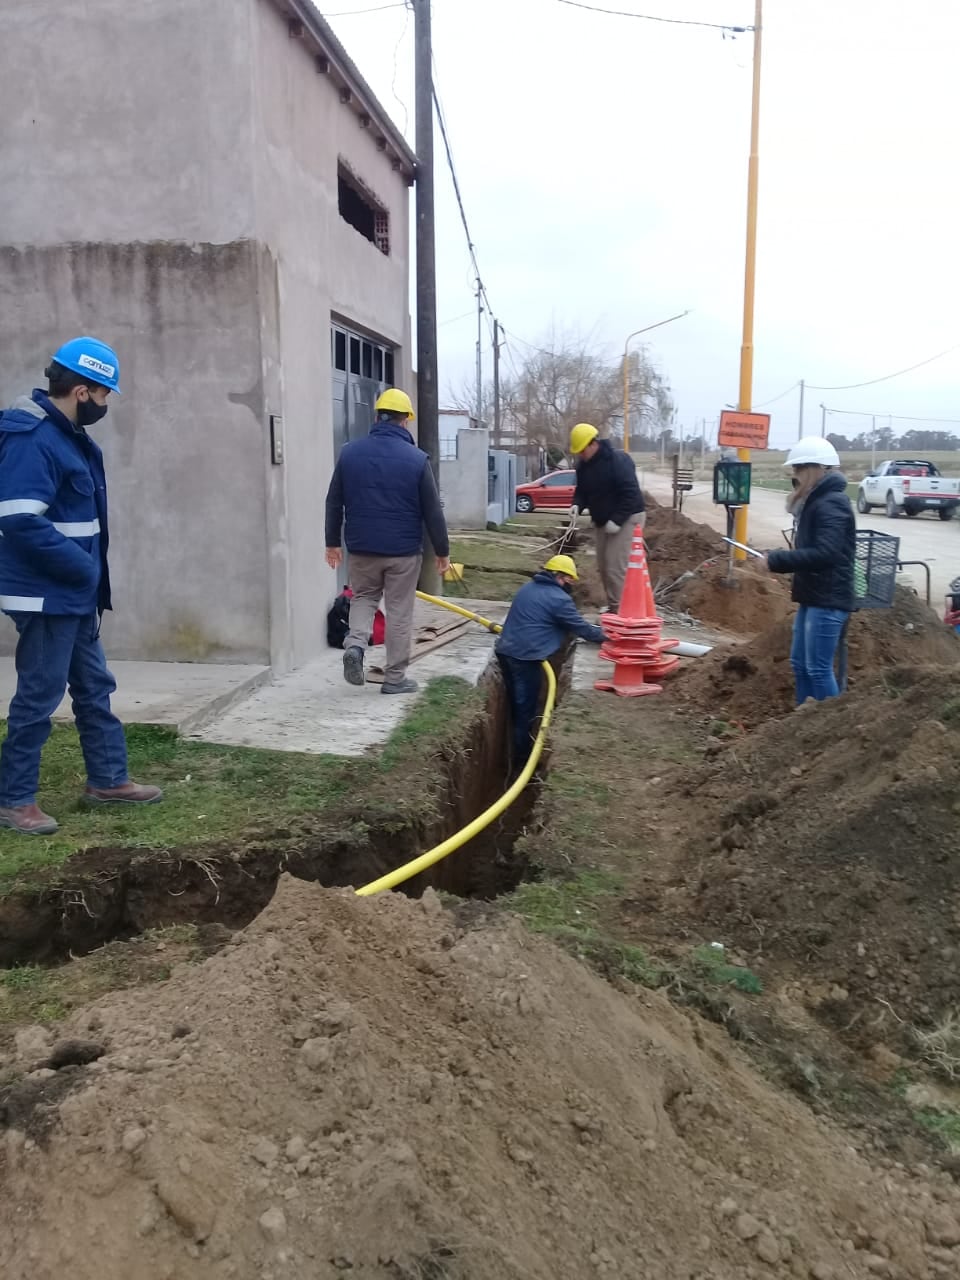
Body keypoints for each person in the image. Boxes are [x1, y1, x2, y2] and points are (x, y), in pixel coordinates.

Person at [0, 338, 162, 836]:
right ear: (82, 390)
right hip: (48, 595)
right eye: (105, 393)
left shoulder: (65, 434)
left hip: (72, 592)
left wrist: (85, 579)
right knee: (39, 695)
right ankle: (13, 801)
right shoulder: (32, 438)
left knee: (94, 687)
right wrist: (82, 569)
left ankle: (108, 781)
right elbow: (20, 520)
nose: (107, 404)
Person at [325, 388, 450, 694]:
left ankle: (355, 645)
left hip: (362, 547)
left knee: (363, 598)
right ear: (406, 421)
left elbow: (333, 501)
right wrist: (443, 551)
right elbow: (432, 510)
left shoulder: (350, 453)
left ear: (377, 416)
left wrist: (332, 543)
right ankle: (395, 679)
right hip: (403, 552)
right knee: (398, 611)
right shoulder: (417, 460)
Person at [764, 436, 856, 704]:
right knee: (800, 665)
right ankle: (802, 724)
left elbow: (827, 553)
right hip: (814, 596)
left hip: (828, 599)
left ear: (813, 469)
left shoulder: (831, 503)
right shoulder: (817, 502)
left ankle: (832, 733)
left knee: (817, 669)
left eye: (797, 470)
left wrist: (778, 560)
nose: (794, 475)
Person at [495, 554, 604, 770]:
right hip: (526, 658)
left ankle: (513, 755)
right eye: (569, 580)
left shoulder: (528, 588)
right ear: (560, 577)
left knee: (516, 706)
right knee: (525, 712)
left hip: (507, 652)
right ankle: (521, 765)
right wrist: (609, 636)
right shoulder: (559, 599)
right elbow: (581, 628)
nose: (570, 584)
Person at [568, 422, 646, 612]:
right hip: (603, 520)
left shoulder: (618, 461)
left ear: (593, 444)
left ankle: (623, 613)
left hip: (627, 517)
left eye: (582, 450)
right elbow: (583, 491)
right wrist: (577, 505)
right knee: (604, 567)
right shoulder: (583, 467)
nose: (580, 454)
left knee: (615, 567)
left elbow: (631, 494)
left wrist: (617, 520)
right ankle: (614, 607)